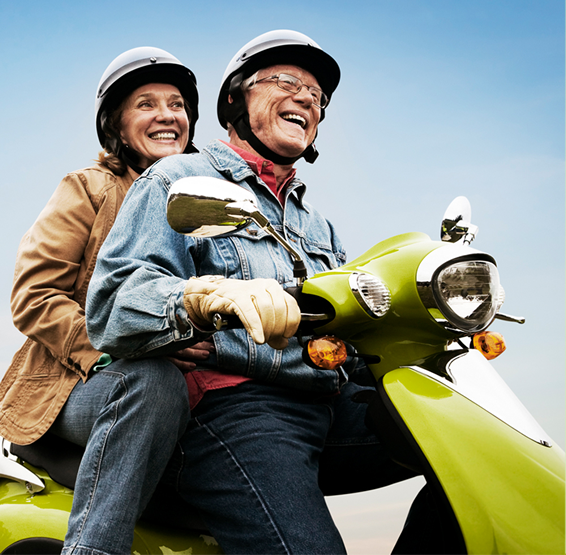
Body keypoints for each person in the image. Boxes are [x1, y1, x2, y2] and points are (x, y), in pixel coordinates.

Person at [87, 30, 417, 554]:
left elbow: (349, 329)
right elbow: (113, 304)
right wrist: (202, 297)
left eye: (318, 95)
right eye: (287, 81)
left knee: (478, 455)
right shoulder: (181, 176)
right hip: (240, 405)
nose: (307, 97)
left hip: (331, 401)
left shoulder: (318, 225)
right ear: (236, 98)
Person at [0, 47, 211, 555]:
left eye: (177, 104)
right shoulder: (89, 189)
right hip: (77, 385)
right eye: (146, 103)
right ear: (115, 126)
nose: (167, 115)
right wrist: (125, 344)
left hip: (193, 394)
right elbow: (34, 294)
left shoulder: (212, 204)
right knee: (153, 380)